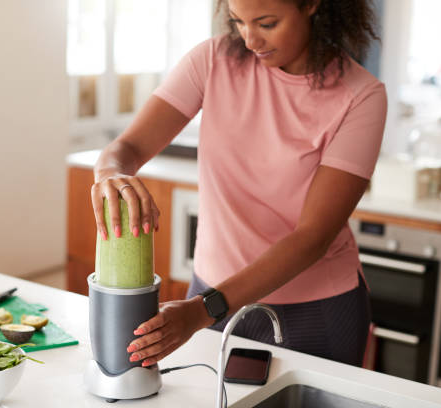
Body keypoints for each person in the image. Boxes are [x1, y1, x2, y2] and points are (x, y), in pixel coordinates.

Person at [91, 0, 387, 369]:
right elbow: (127, 148)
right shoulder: (212, 61)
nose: (250, 40)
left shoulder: (361, 96)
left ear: (312, 4)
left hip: (313, 311)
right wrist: (110, 173)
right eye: (238, 22)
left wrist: (202, 311)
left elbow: (313, 237)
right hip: (210, 297)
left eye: (266, 23)